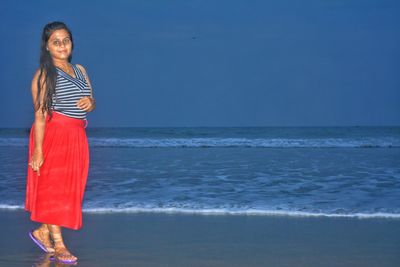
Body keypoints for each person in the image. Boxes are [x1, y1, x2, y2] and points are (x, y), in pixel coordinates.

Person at [25, 21, 95, 264]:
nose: (62, 45)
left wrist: (91, 103)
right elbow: (40, 114)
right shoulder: (44, 75)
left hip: (77, 135)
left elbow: (90, 100)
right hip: (55, 133)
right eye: (56, 41)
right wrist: (38, 151)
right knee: (54, 189)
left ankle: (43, 231)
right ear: (47, 47)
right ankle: (59, 244)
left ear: (71, 43)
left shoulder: (81, 70)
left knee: (68, 191)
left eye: (66, 40)